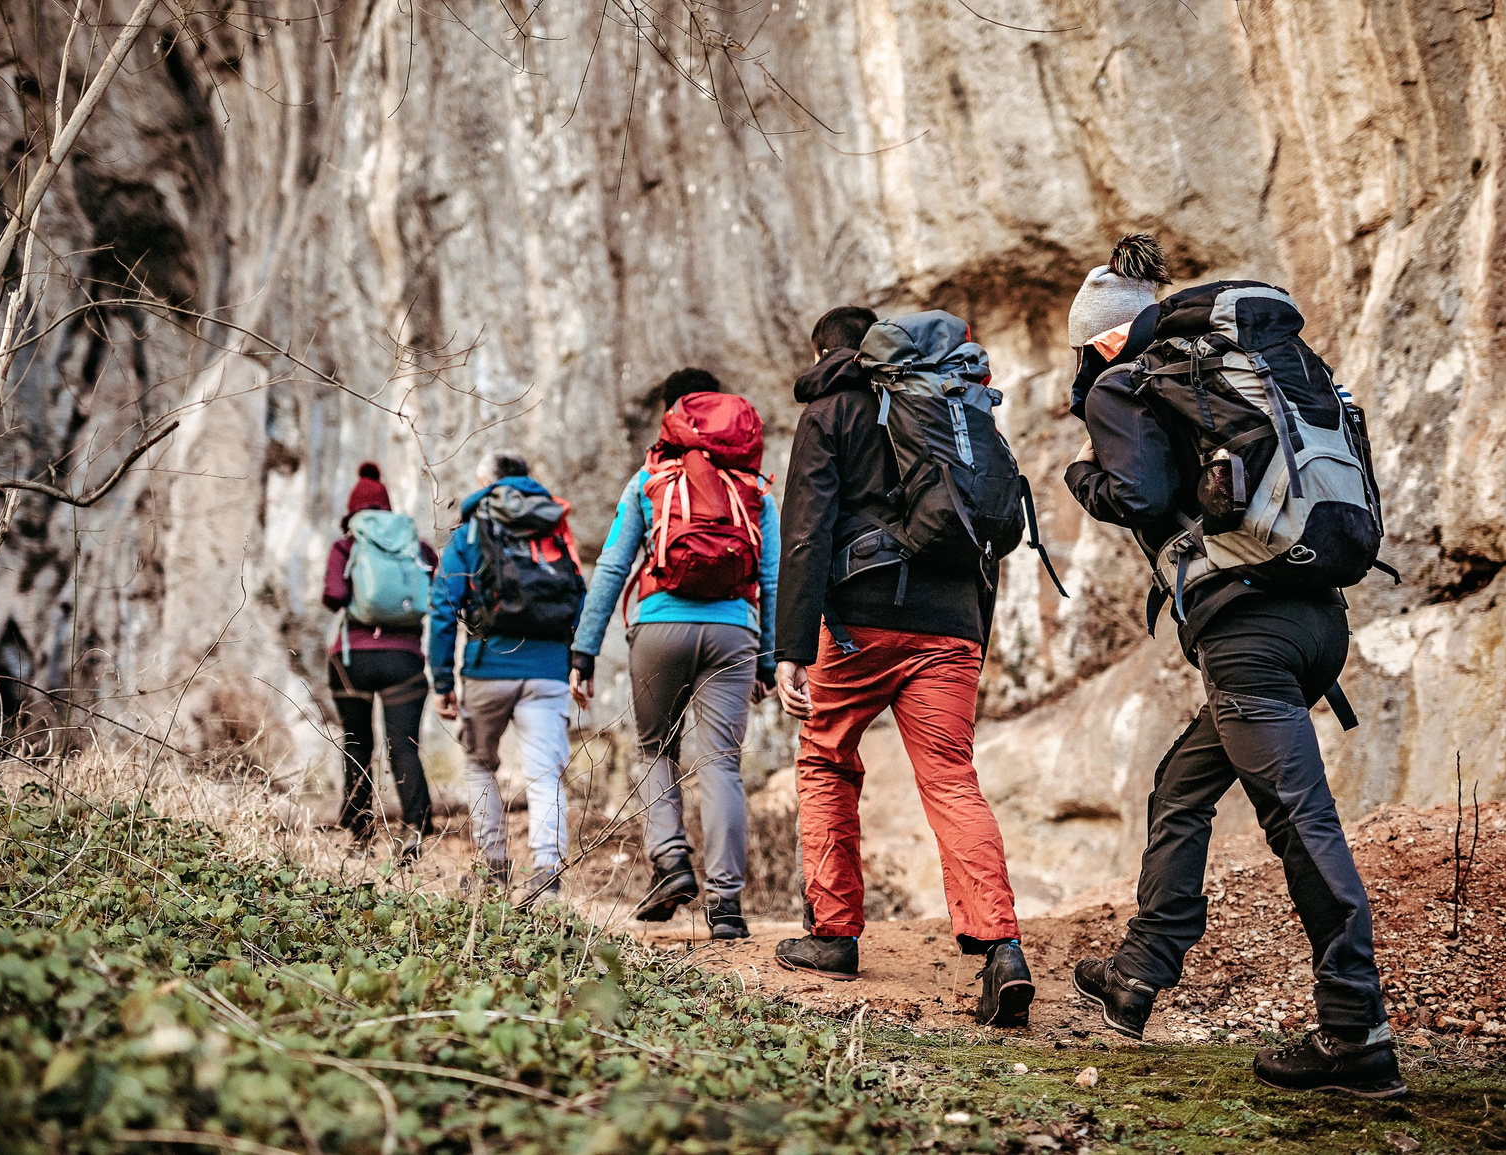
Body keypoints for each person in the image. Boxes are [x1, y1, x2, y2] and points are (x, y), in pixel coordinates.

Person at [1063, 235, 1405, 1098]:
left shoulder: (1124, 382)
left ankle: (1356, 1032)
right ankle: (1140, 968)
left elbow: (1137, 495)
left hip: (1250, 633)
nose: (1081, 365)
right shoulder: (1243, 370)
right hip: (1315, 618)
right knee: (1182, 783)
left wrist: (1080, 477)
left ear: (1106, 338)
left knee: (1299, 819)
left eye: (1083, 348)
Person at [769, 306, 1034, 1028]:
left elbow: (806, 531)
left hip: (861, 621)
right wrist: (970, 627)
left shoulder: (831, 410)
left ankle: (833, 935)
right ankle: (1002, 947)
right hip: (951, 620)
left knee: (826, 759)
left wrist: (791, 647)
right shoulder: (950, 401)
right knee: (950, 776)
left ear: (825, 351)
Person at [569, 368, 780, 940]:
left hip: (660, 627)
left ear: (672, 416)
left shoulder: (649, 480)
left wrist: (584, 650)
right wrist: (769, 659)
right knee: (721, 765)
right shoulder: (755, 489)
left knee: (654, 749)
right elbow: (772, 578)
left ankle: (671, 863)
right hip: (734, 633)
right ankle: (727, 907)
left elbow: (612, 567)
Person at [430, 450, 587, 899]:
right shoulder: (554, 523)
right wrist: (577, 660)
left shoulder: (472, 527)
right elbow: (579, 596)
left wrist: (443, 680)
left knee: (479, 764)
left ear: (487, 481)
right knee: (546, 776)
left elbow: (444, 605)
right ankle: (547, 878)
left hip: (488, 666)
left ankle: (493, 870)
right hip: (549, 670)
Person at [322, 463, 437, 852]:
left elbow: (333, 596)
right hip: (405, 660)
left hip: (353, 660)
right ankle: (415, 827)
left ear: (353, 511)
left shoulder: (346, 546)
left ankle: (359, 836)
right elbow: (434, 592)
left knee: (357, 744)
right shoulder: (417, 547)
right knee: (403, 745)